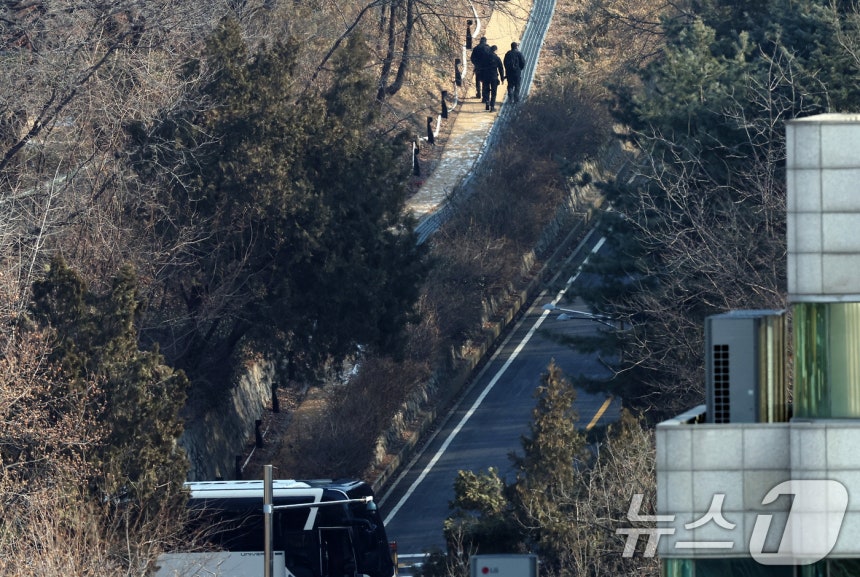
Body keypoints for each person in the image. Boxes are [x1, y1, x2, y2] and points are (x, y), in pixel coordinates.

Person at [482, 45, 505, 112]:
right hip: (494, 77)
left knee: (486, 90)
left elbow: (481, 67)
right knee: (494, 92)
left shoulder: (485, 58)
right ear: (495, 50)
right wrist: (502, 78)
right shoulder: (497, 58)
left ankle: (487, 102)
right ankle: (492, 107)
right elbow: (501, 68)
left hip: (486, 76)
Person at [470, 36, 490, 101]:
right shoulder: (488, 48)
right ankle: (484, 95)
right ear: (485, 41)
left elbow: (472, 58)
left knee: (477, 80)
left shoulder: (476, 48)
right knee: (485, 81)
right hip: (486, 68)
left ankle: (478, 93)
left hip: (478, 67)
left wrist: (476, 64)